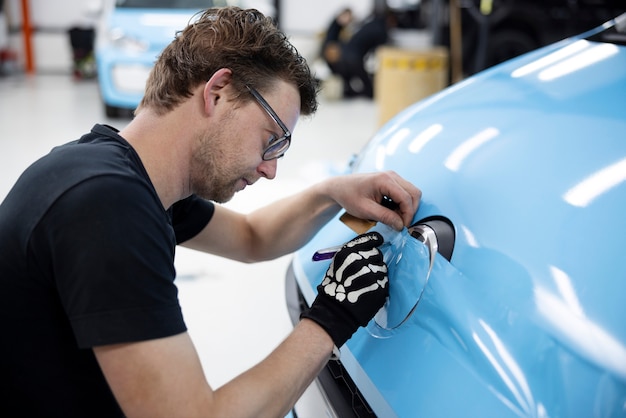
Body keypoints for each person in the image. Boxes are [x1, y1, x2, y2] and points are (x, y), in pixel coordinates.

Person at [0, 7, 421, 418]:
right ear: (217, 93)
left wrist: (333, 193)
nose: (271, 169)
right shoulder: (106, 205)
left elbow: (252, 237)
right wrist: (332, 317)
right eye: (271, 139)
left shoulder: (113, 170)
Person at [322, 8, 396, 98]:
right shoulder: (380, 29)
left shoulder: (370, 25)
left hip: (347, 56)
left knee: (353, 79)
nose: (350, 19)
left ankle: (354, 93)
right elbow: (330, 47)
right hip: (351, 57)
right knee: (366, 85)